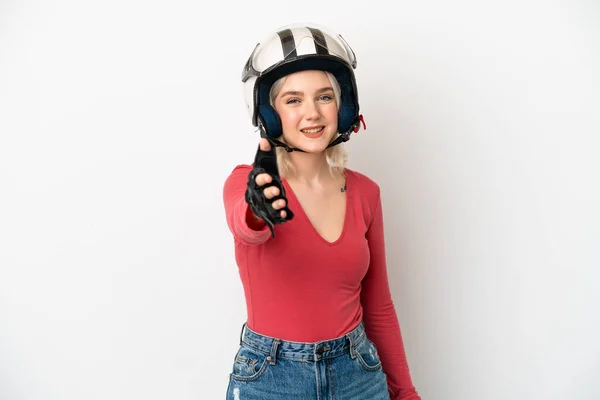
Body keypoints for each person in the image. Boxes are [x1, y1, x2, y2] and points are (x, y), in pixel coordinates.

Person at [222, 23, 421, 400]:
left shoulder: (366, 192)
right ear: (269, 111)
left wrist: (406, 392)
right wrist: (257, 209)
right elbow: (246, 226)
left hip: (358, 372)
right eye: (293, 100)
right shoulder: (246, 182)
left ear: (344, 107)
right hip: (271, 378)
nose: (312, 113)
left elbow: (378, 307)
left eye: (325, 97)